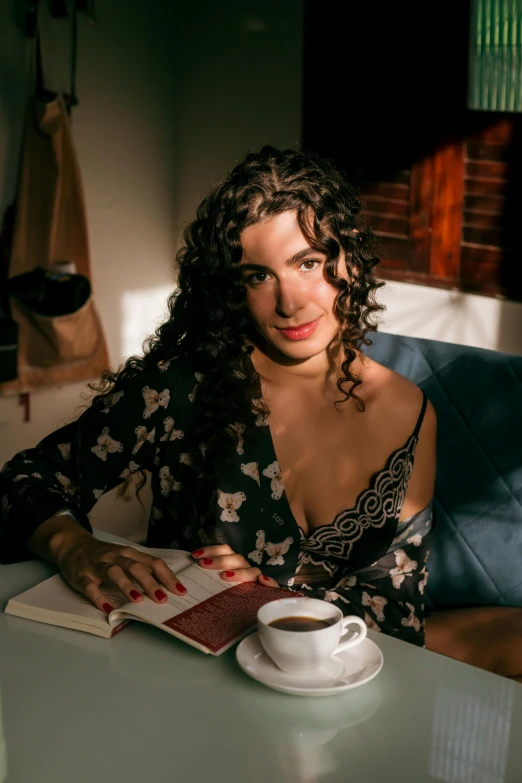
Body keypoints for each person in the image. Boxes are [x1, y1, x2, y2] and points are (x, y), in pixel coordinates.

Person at [0, 144, 446, 650]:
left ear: (350, 258)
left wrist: (274, 601)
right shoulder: (182, 387)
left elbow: (397, 611)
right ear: (231, 288)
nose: (289, 302)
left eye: (308, 263)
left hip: (325, 681)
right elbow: (23, 480)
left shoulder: (411, 412)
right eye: (259, 276)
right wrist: (74, 547)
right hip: (182, 677)